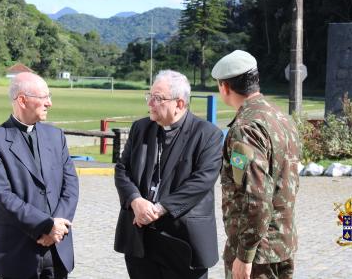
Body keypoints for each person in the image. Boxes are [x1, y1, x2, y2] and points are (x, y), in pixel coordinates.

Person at [114, 70, 223, 279]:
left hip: (182, 240)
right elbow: (122, 170)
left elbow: (202, 181)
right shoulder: (141, 128)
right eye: (150, 97)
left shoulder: (207, 134)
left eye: (157, 99)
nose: (150, 104)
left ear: (179, 104)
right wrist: (136, 201)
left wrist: (159, 208)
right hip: (140, 239)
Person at [0, 72, 79, 279]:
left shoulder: (56, 136)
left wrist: (57, 228)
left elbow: (70, 186)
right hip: (18, 252)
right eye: (44, 97)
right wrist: (46, 226)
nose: (49, 103)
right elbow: (2, 197)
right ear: (23, 100)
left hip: (58, 250)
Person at [211, 50, 301, 279]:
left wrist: (245, 255)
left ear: (225, 87)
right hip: (282, 243)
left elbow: (256, 197)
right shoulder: (282, 119)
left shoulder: (246, 129)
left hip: (258, 254)